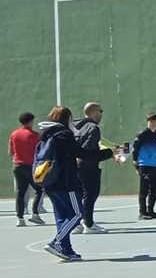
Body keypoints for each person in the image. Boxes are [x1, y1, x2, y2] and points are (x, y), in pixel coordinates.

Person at [38, 106, 115, 261]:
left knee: (61, 217)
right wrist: (109, 152)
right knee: (77, 214)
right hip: (67, 183)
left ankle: (65, 249)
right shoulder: (64, 135)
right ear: (67, 119)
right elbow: (83, 154)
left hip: (49, 181)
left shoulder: (45, 134)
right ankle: (57, 242)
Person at [73, 102, 115, 234]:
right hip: (88, 167)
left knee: (79, 195)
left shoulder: (76, 126)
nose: (101, 114)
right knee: (90, 195)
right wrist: (110, 153)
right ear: (93, 112)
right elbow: (89, 153)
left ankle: (77, 224)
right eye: (100, 111)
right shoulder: (93, 128)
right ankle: (89, 224)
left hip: (75, 166)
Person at [8, 112, 45, 227]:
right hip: (31, 167)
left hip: (17, 166)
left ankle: (20, 219)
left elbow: (11, 152)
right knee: (39, 190)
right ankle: (35, 214)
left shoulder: (14, 134)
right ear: (30, 121)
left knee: (20, 193)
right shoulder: (35, 135)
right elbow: (41, 151)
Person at [132, 113, 156, 220]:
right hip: (144, 165)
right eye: (151, 121)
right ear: (148, 121)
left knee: (155, 189)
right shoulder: (142, 134)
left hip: (155, 165)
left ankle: (151, 210)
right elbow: (135, 149)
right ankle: (142, 212)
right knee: (144, 189)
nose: (153, 123)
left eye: (154, 121)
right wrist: (135, 161)